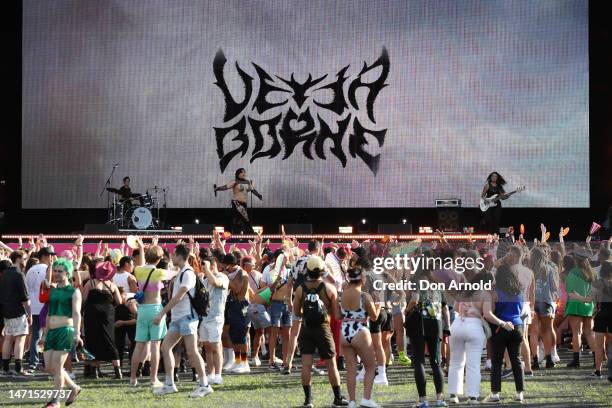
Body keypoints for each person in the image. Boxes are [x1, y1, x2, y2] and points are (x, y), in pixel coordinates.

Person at [152, 244, 213, 397]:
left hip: (188, 317)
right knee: (165, 347)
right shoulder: (180, 273)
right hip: (178, 318)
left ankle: (204, 385)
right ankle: (169, 384)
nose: (171, 257)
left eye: (174, 254)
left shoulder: (188, 274)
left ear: (179, 256)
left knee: (192, 351)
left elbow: (178, 296)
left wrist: (161, 314)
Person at [293, 255, 348, 408]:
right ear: (322, 271)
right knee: (331, 364)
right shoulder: (329, 289)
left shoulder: (300, 289)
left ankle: (308, 400)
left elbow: (296, 312)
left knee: (306, 365)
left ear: (308, 271)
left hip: (306, 328)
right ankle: (337, 398)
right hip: (324, 328)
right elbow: (337, 315)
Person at [130, 240, 173, 388]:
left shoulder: (138, 270)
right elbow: (176, 271)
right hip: (155, 309)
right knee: (155, 346)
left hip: (142, 310)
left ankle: (133, 378)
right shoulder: (160, 272)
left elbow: (142, 263)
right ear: (160, 259)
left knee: (139, 345)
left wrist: (143, 248)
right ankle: (153, 379)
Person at [404, 264, 448, 408]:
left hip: (419, 324)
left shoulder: (416, 280)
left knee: (419, 361)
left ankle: (423, 401)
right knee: (436, 362)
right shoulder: (437, 284)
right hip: (436, 324)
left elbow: (415, 299)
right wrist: (446, 327)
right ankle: (440, 400)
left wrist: (406, 310)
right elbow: (445, 308)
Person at [447, 271, 493, 404]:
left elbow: (455, 308)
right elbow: (488, 314)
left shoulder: (463, 291)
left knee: (455, 362)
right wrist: (502, 323)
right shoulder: (484, 294)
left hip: (458, 325)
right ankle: (472, 396)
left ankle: (452, 394)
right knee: (473, 364)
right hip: (474, 326)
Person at [337, 267, 380, 408]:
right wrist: (378, 303)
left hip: (344, 331)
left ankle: (352, 402)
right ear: (361, 278)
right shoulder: (364, 296)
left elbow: (338, 316)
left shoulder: (342, 294)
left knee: (351, 370)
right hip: (360, 331)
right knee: (371, 366)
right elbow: (374, 317)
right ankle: (366, 399)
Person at [43, 258, 83, 408]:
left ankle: (55, 401)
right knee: (49, 367)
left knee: (57, 367)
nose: (57, 273)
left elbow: (77, 313)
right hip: (51, 332)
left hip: (65, 330)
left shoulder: (74, 291)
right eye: (55, 271)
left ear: (67, 273)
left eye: (60, 271)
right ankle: (73, 387)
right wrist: (45, 333)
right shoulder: (53, 291)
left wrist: (77, 334)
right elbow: (48, 314)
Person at [483, 263, 525, 404]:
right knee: (516, 360)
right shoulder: (520, 291)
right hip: (517, 326)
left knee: (497, 361)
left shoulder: (495, 293)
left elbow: (491, 311)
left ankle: (495, 393)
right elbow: (522, 310)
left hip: (500, 327)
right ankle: (519, 393)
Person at [82, 261, 123, 379]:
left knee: (92, 341)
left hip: (92, 314)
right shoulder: (112, 285)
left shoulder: (90, 283)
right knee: (110, 340)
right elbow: (119, 302)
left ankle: (94, 372)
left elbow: (83, 300)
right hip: (108, 315)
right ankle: (117, 371)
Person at [198, 253, 229, 385]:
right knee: (207, 348)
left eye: (206, 266)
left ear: (214, 265)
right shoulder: (204, 280)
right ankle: (210, 374)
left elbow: (215, 283)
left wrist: (207, 270)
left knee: (216, 347)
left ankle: (218, 375)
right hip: (205, 318)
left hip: (216, 317)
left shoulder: (223, 277)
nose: (204, 268)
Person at [565, 248, 597, 368]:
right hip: (589, 306)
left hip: (575, 305)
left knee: (576, 333)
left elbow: (570, 291)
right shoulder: (592, 273)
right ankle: (596, 359)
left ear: (576, 260)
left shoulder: (573, 272)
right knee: (589, 333)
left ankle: (576, 360)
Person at [25, 246, 55, 372]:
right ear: (43, 256)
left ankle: (34, 362)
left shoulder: (30, 269)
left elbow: (27, 288)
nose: (52, 258)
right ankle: (44, 362)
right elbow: (50, 285)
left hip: (34, 305)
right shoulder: (48, 269)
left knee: (36, 335)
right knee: (46, 334)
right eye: (50, 255)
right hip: (44, 305)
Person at [529, 246, 559, 369]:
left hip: (532, 302)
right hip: (546, 301)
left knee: (533, 332)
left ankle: (535, 360)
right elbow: (555, 287)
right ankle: (548, 359)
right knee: (547, 331)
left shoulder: (528, 269)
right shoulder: (549, 268)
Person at [0, 262, 32, 376]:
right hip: (18, 311)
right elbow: (25, 298)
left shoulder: (4, 275)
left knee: (8, 339)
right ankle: (19, 368)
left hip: (6, 311)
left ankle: (5, 368)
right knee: (20, 338)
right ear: (18, 259)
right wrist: (30, 314)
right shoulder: (18, 274)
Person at [264, 248, 293, 370]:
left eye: (286, 257)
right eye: (283, 257)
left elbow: (291, 286)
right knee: (274, 333)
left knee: (287, 334)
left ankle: (286, 361)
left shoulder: (289, 269)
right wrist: (277, 279)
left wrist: (291, 301)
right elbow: (266, 288)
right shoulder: (269, 269)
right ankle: (272, 360)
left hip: (287, 304)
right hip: (275, 303)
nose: (286, 259)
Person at [222, 254, 251, 373]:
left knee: (241, 335)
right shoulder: (233, 273)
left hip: (241, 306)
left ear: (230, 264)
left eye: (225, 265)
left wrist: (226, 279)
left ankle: (244, 362)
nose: (224, 268)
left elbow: (237, 289)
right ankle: (238, 360)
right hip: (233, 305)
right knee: (233, 335)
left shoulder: (241, 273)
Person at [214, 168, 263, 234]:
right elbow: (226, 187)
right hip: (237, 203)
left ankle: (235, 235)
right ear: (238, 174)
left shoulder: (247, 182)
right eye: (242, 172)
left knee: (237, 220)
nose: (244, 174)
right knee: (246, 220)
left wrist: (258, 195)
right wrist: (218, 188)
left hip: (244, 204)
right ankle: (251, 235)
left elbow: (252, 189)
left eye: (244, 172)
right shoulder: (235, 181)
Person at [114, 287, 137, 369]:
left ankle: (134, 365)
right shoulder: (117, 302)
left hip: (130, 319)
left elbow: (139, 320)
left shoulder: (131, 301)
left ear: (123, 294)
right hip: (120, 317)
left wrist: (123, 322)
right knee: (118, 343)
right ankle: (118, 366)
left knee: (135, 341)